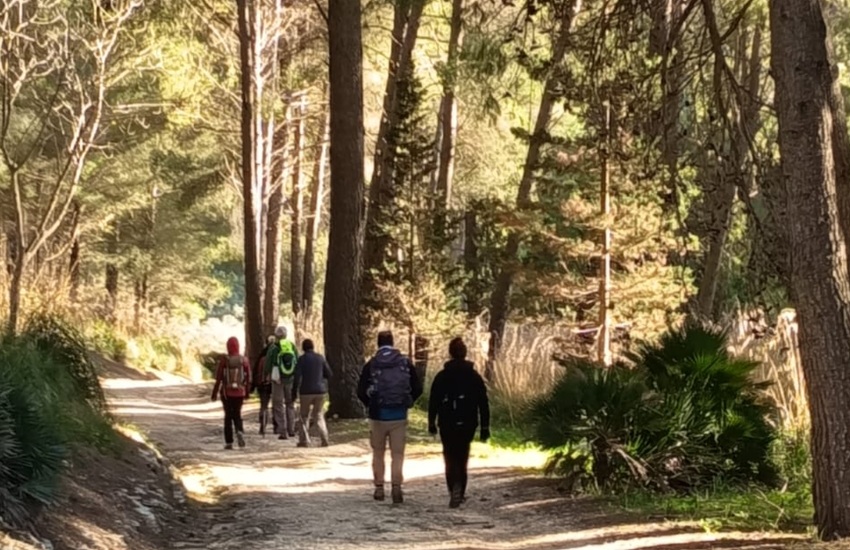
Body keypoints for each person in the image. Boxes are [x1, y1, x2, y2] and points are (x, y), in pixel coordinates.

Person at [357, 330, 423, 504]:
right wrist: (408, 402)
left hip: (377, 415)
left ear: (378, 344)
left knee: (378, 452)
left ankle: (379, 487)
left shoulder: (371, 364)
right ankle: (396, 487)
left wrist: (369, 405)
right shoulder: (405, 363)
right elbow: (417, 387)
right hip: (399, 415)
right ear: (393, 343)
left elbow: (360, 391)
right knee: (398, 454)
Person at [428, 337, 490, 508]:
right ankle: (460, 490)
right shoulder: (474, 376)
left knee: (449, 455)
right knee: (462, 456)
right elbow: (483, 402)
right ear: (465, 354)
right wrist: (485, 426)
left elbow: (434, 401)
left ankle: (452, 488)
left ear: (450, 353)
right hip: (468, 422)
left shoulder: (442, 376)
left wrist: (431, 422)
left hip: (447, 421)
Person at [211, 336, 252, 450]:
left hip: (226, 393)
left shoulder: (225, 360)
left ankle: (229, 442)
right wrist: (247, 392)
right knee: (237, 414)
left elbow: (219, 378)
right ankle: (239, 431)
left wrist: (214, 393)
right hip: (240, 393)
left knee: (228, 416)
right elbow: (248, 378)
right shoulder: (244, 360)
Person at [292, 339, 332, 448]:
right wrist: (321, 379)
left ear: (303, 348)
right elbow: (329, 374)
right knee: (319, 415)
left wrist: (294, 392)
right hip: (320, 391)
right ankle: (324, 439)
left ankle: (304, 441)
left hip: (306, 391)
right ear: (313, 347)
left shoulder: (301, 360)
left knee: (304, 416)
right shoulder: (320, 358)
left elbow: (297, 377)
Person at [266, 325, 298, 440]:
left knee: (278, 404)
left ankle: (282, 430)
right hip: (290, 379)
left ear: (276, 336)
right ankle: (292, 429)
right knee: (290, 404)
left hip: (277, 380)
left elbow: (268, 363)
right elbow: (297, 360)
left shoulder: (274, 347)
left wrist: (267, 374)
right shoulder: (292, 346)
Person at [253, 335, 277, 437]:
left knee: (264, 406)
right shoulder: (277, 355)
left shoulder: (261, 356)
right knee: (277, 405)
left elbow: (255, 371)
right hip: (275, 383)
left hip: (263, 384)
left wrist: (253, 385)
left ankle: (262, 426)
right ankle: (277, 427)